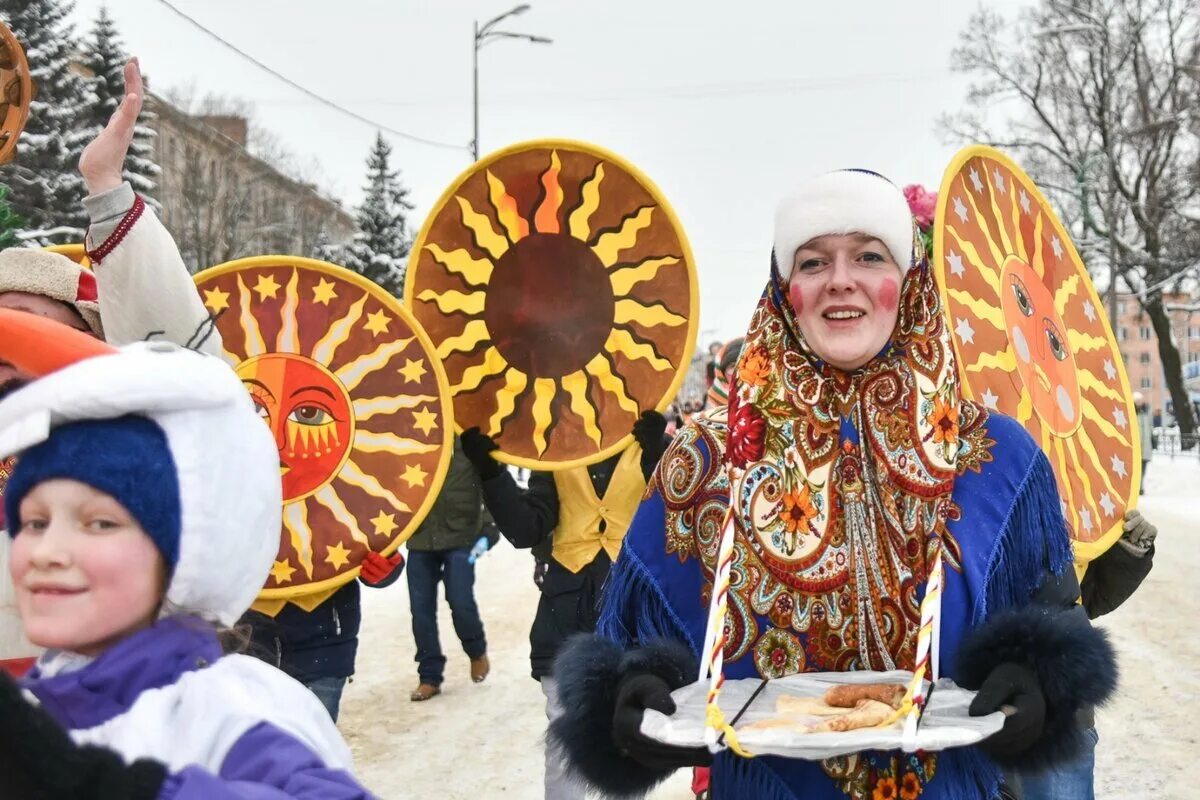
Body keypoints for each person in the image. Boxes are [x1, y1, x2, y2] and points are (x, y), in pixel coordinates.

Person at [548, 170, 1117, 800]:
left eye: (870, 256)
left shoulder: (996, 455)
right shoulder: (705, 458)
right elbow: (639, 644)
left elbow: (1053, 618)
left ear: (911, 282)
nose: (840, 278)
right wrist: (637, 691)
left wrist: (1037, 682)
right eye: (813, 261)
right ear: (785, 288)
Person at [0, 310, 373, 798]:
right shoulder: (33, 704)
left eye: (100, 523)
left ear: (185, 548)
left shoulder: (231, 710)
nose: (47, 551)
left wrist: (107, 788)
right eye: (35, 521)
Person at [0, 59, 222, 677]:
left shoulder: (118, 445)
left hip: (88, 720)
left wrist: (105, 186)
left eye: (35, 326)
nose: (12, 349)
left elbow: (189, 372)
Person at [460, 410, 670, 800]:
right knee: (564, 740)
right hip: (567, 613)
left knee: (630, 737)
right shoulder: (558, 451)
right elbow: (527, 530)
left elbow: (680, 513)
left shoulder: (648, 438)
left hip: (633, 615)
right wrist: (491, 473)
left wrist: (659, 453)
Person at [406, 438, 500, 701]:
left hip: (463, 540)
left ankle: (476, 651)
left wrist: (489, 530)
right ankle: (429, 676)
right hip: (421, 539)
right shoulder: (414, 444)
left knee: (460, 601)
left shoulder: (468, 444)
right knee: (421, 610)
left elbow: (490, 483)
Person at [1134, 392, 1152, 492]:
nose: (1139, 403)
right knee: (1136, 469)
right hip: (1136, 448)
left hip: (1145, 447)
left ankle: (1140, 486)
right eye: (1137, 401)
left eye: (1140, 401)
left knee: (1143, 469)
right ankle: (1137, 488)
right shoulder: (1132, 414)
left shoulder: (1145, 414)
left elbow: (1149, 428)